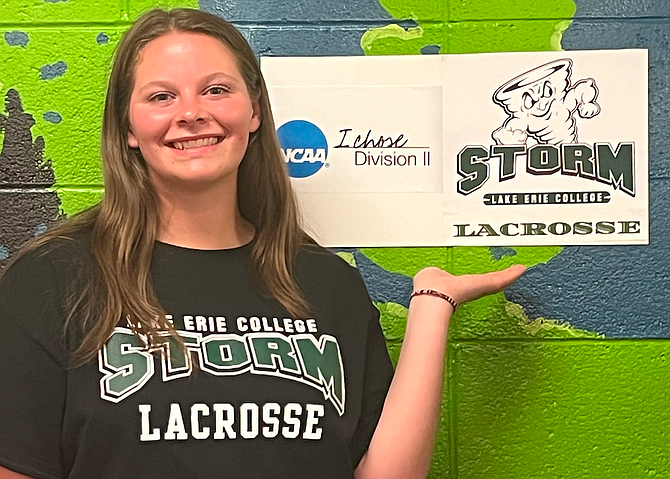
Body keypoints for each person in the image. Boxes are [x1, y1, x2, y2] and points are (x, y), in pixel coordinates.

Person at [0, 8, 525, 479]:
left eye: (216, 90)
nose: (191, 113)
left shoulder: (324, 282)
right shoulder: (51, 278)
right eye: (162, 96)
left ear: (253, 113)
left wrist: (433, 306)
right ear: (129, 127)